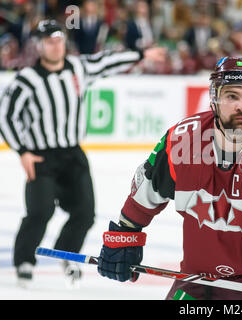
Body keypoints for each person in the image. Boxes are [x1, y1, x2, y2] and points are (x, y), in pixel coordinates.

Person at [97, 56, 242, 300]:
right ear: (214, 97)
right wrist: (126, 233)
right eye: (232, 96)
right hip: (200, 278)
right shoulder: (182, 141)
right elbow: (147, 190)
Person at [0, 19, 166, 288]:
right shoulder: (26, 80)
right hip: (41, 157)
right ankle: (24, 261)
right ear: (39, 46)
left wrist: (141, 54)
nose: (56, 46)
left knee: (85, 213)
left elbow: (107, 61)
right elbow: (6, 117)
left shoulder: (78, 67)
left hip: (73, 155)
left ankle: (66, 253)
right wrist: (23, 152)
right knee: (39, 212)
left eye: (59, 40)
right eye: (50, 42)